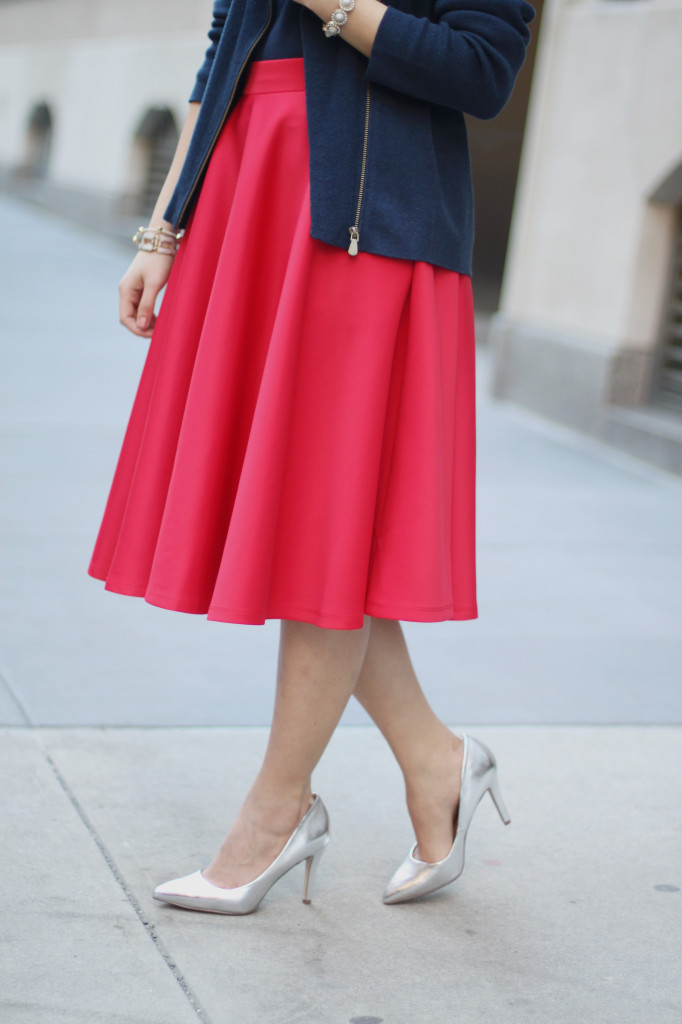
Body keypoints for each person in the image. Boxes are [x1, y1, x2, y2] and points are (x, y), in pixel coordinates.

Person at [89, 0, 535, 913]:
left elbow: (482, 71)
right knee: (317, 530)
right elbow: (226, 51)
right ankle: (437, 761)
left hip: (366, 225)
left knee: (322, 527)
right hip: (252, 199)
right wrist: (164, 229)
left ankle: (277, 814)